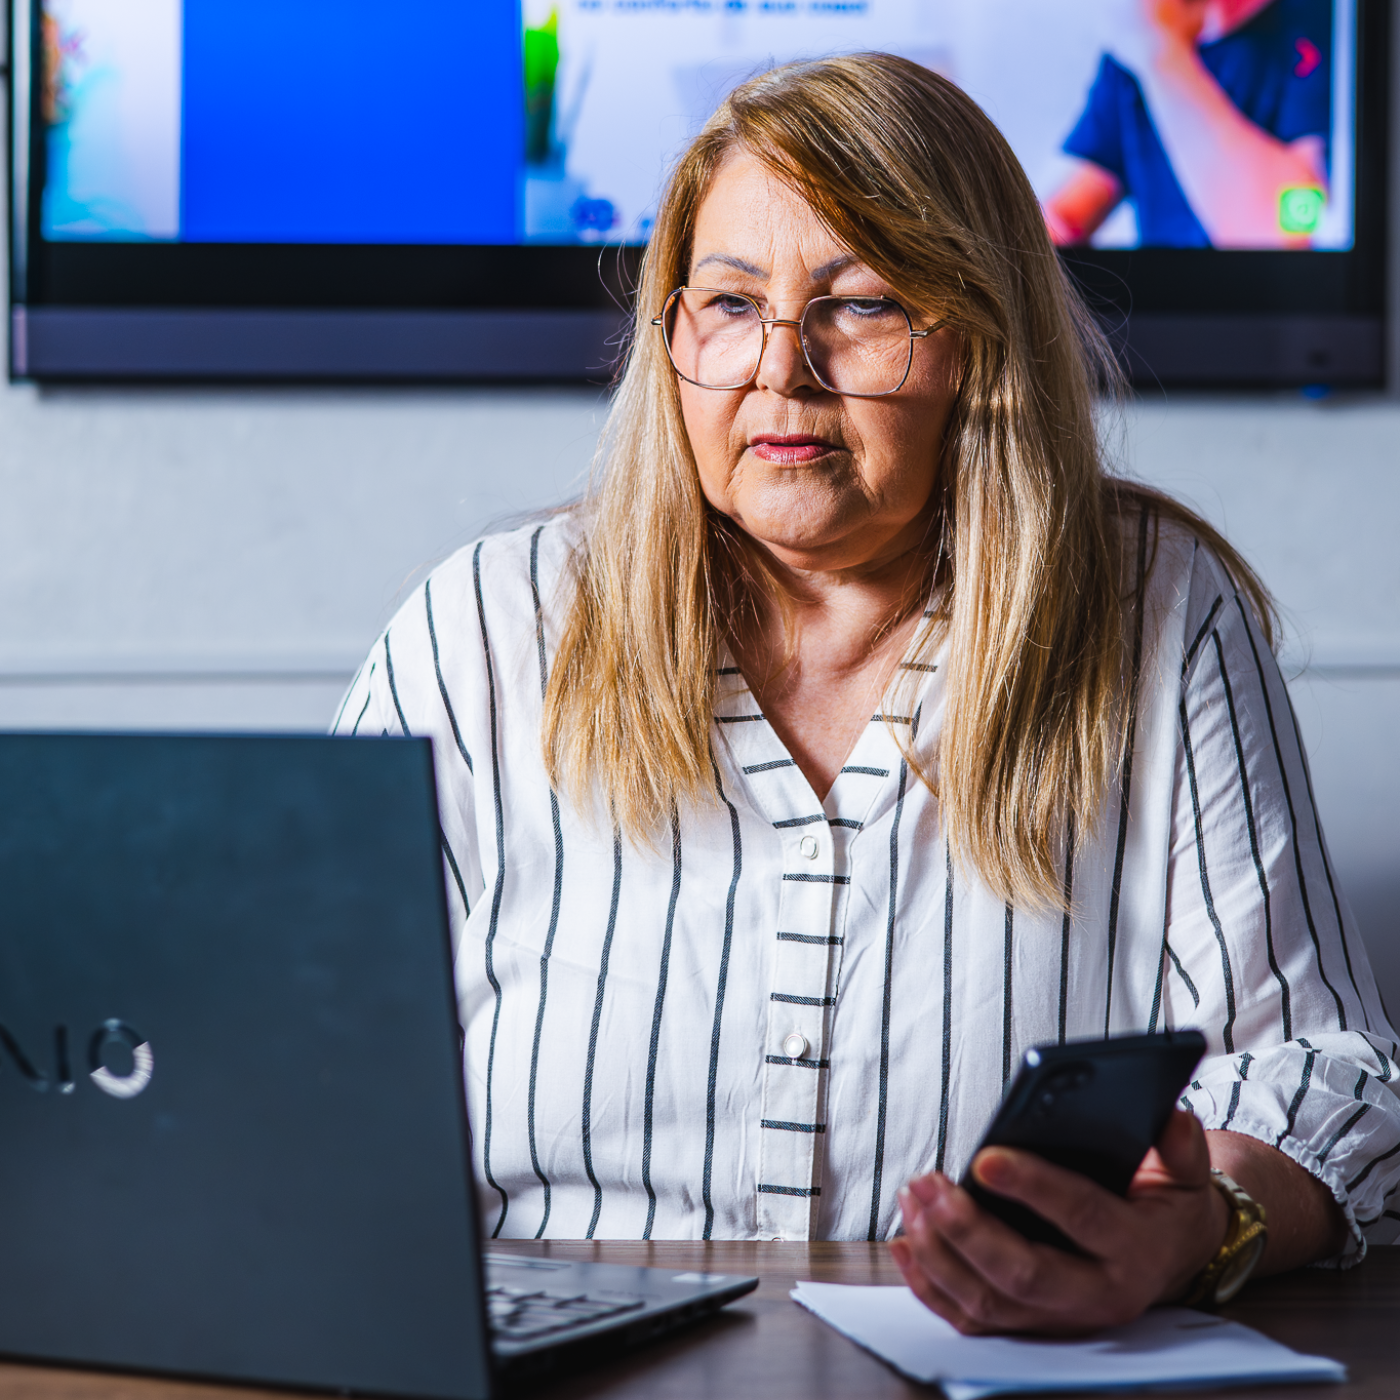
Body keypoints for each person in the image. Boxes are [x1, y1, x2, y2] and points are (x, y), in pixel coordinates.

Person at [334, 53, 1400, 1334]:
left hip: (992, 1365)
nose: (779, 371)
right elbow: (299, 1062)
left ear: (978, 343)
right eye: (728, 302)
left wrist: (1197, 1229)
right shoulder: (479, 627)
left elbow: (1330, 1075)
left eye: (862, 303)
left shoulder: (1153, 609)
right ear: (670, 333)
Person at [1045, 0, 1332, 248]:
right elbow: (1073, 212)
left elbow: (1291, 230)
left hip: (1268, 305)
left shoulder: (1320, 25)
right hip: (1160, 306)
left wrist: (1161, 51)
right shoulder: (1136, 46)